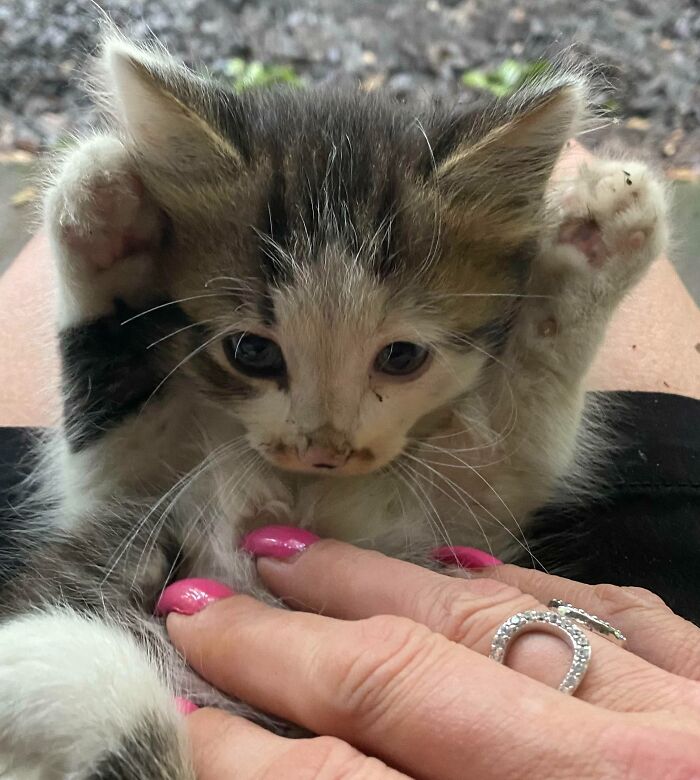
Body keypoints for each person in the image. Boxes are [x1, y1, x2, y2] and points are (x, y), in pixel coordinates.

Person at [0, 142, 698, 778]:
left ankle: (112, 313)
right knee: (473, 516)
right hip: (506, 659)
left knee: (134, 511)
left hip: (141, 639)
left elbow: (113, 527)